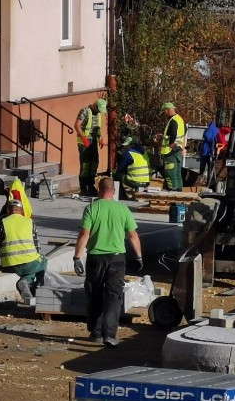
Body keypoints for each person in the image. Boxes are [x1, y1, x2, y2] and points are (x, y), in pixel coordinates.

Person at [73, 177, 143, 347]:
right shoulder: (123, 209)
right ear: (114, 191)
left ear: (99, 190)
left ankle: (96, 332)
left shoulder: (91, 208)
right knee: (114, 296)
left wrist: (77, 257)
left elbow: (84, 234)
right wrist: (139, 256)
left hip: (95, 258)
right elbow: (133, 235)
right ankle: (110, 335)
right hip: (117, 259)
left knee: (94, 294)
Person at [0, 198, 48, 301]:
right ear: (21, 211)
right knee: (43, 261)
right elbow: (38, 247)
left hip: (8, 265)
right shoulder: (30, 222)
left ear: (8, 210)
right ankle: (37, 284)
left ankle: (26, 281)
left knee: (30, 267)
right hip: (29, 263)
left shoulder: (2, 222)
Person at [74, 99, 107, 196]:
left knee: (94, 164)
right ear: (95, 106)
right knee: (85, 166)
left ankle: (91, 186)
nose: (100, 112)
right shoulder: (85, 111)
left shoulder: (99, 114)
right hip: (84, 143)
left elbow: (97, 129)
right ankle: (83, 188)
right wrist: (83, 137)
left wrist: (100, 138)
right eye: (99, 109)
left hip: (93, 143)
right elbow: (76, 125)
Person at [159, 101, 186, 191]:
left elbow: (173, 133)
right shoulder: (180, 120)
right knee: (177, 173)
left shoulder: (173, 121)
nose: (164, 114)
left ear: (166, 110)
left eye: (164, 112)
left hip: (170, 151)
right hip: (178, 150)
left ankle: (173, 194)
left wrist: (171, 144)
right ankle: (179, 192)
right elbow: (183, 132)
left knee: (171, 174)